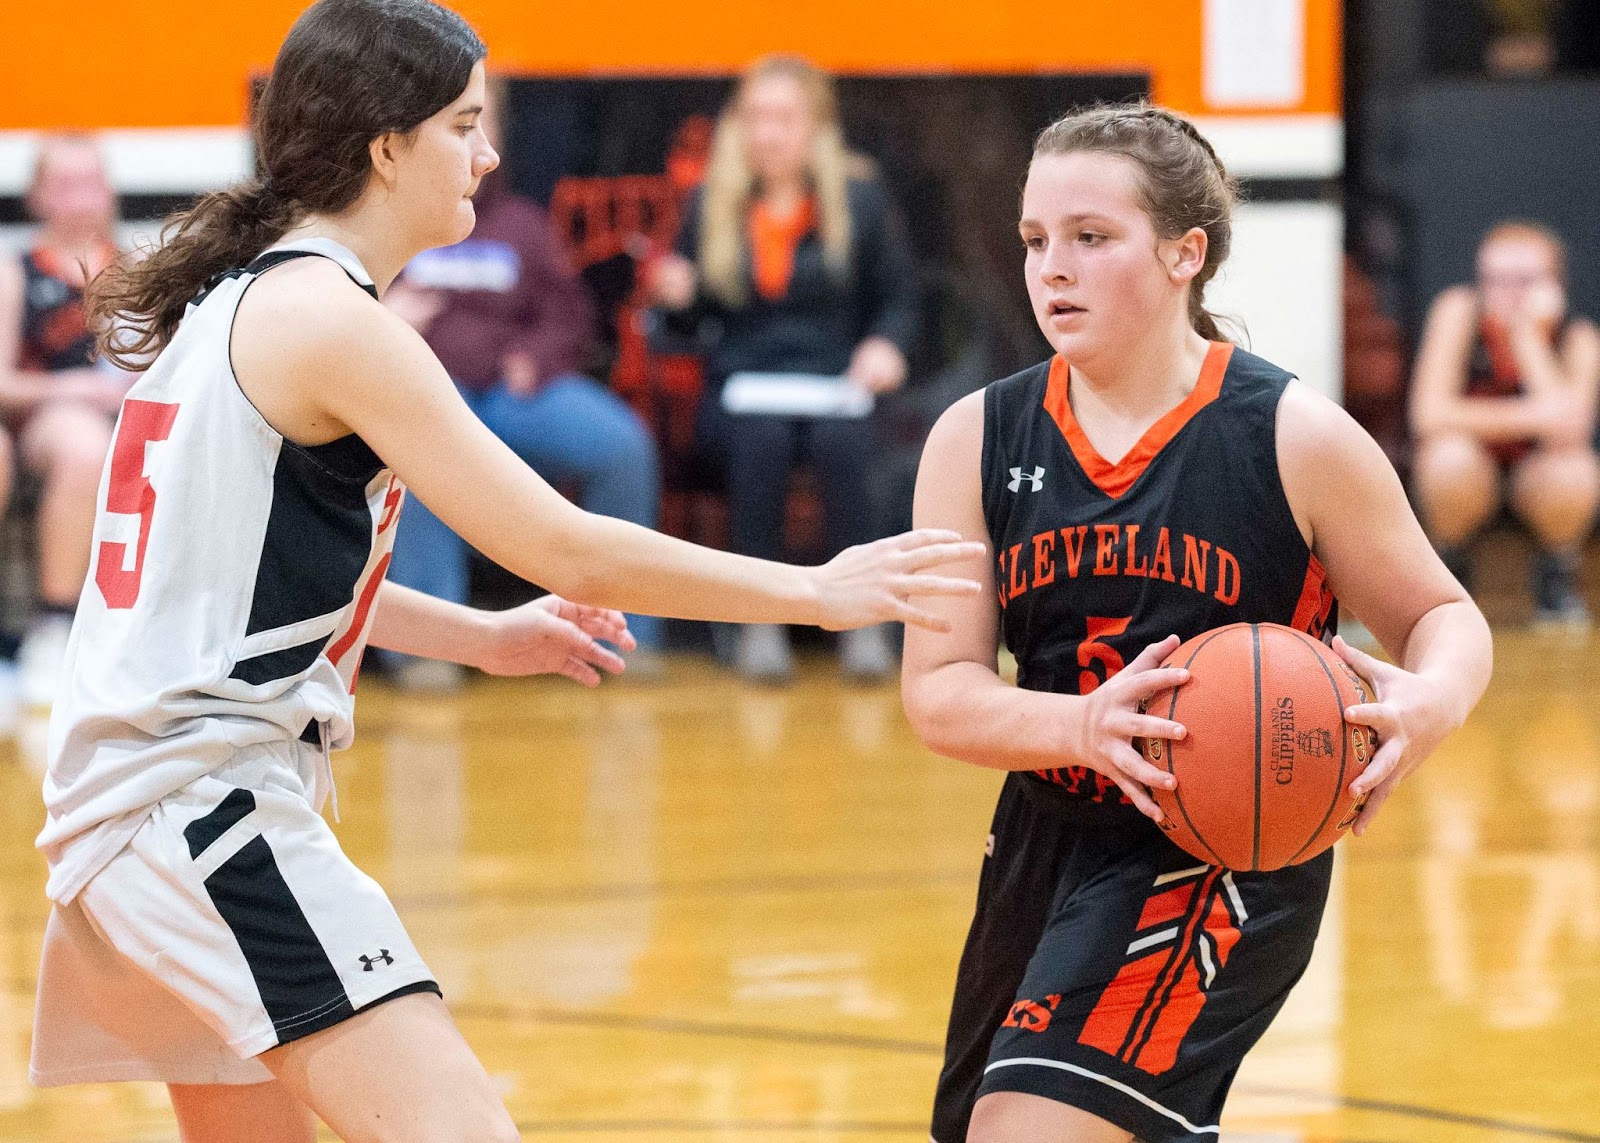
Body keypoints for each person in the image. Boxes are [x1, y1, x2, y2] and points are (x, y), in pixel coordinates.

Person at [29, 3, 981, 1140]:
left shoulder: (240, 297)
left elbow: (247, 587)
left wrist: (481, 637)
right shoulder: (331, 321)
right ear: (388, 146)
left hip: (134, 816)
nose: (486, 154)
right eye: (464, 125)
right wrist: (813, 590)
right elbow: (565, 542)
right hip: (200, 808)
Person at [900, 104, 1493, 1143]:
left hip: (1224, 845)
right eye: (1035, 240)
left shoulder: (1292, 437)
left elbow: (1442, 613)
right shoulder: (975, 439)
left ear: (1186, 254)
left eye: (1091, 236)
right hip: (1045, 836)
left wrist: (1430, 700)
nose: (1052, 268)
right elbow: (939, 690)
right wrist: (1083, 727)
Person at [383, 78, 666, 690]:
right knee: (415, 453)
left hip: (517, 396)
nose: (473, 141)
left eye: (481, 123)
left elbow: (570, 314)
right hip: (431, 395)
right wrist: (386, 315)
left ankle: (621, 633)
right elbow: (338, 313)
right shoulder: (393, 223)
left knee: (623, 445)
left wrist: (536, 357)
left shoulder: (523, 223)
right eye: (457, 124)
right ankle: (430, 648)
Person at [649, 55, 920, 683]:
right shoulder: (711, 201)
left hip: (836, 384)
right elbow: (688, 328)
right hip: (743, 389)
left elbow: (899, 300)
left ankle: (863, 618)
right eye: (755, 118)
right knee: (760, 442)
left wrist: (886, 346)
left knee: (843, 443)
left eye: (784, 119)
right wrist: (679, 297)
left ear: (816, 127)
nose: (768, 134)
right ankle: (759, 620)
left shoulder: (860, 198)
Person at [1409, 221, 1600, 626]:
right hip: (1472, 474)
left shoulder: (1578, 337)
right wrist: (1537, 416)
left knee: (1576, 470)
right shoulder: (1458, 312)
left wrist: (1526, 338)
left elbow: (1573, 431)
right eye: (1494, 279)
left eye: (1524, 280)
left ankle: (1556, 572)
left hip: (1537, 478)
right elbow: (1428, 414)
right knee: (1448, 458)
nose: (1507, 292)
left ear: (1556, 285)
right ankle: (1450, 563)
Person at [0, 134, 134, 706]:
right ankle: (53, 626)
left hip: (129, 417)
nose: (80, 197)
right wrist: (71, 388)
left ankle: (76, 631)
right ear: (37, 195)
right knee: (81, 445)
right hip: (41, 417)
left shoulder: (136, 269)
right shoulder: (17, 270)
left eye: (90, 182)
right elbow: (4, 382)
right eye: (64, 184)